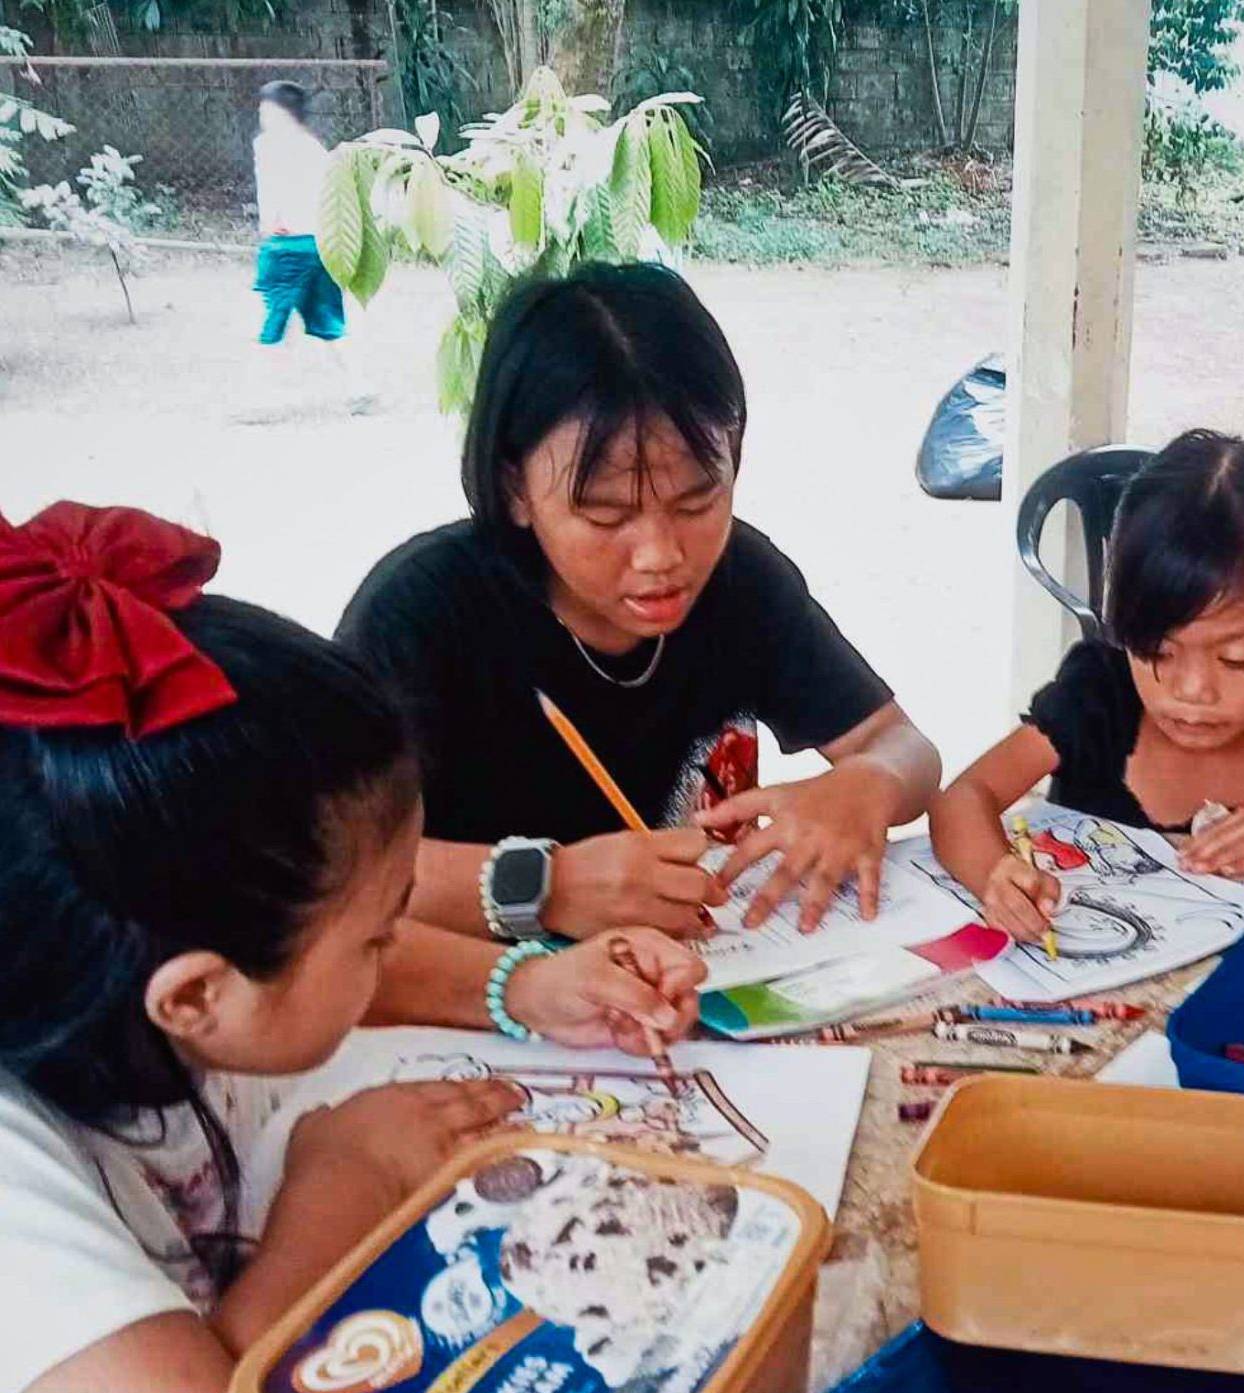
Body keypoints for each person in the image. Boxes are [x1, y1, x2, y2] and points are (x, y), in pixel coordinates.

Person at [0, 502, 703, 1393]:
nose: (394, 942)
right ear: (197, 996)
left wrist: (528, 985)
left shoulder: (128, 959)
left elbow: (315, 957)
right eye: (377, 932)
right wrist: (342, 1185)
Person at [337, 263, 941, 947]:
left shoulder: (741, 581)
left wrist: (868, 783)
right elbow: (329, 869)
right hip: (480, 1004)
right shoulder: (421, 614)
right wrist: (549, 886)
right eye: (605, 514)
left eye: (696, 501)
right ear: (515, 489)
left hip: (702, 984)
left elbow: (906, 747)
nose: (660, 555)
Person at [930, 429, 1244, 942]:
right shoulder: (1101, 696)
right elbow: (965, 797)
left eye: (1236, 659)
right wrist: (995, 874)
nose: (1191, 690)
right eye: (1157, 651)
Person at [251, 81, 348, 354]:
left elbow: (273, 192)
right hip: (318, 245)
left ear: (283, 113)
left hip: (289, 245)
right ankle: (359, 384)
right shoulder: (313, 147)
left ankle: (261, 383)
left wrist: (272, 223)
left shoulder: (269, 145)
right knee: (327, 321)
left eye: (266, 109)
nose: (261, 115)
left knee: (275, 320)